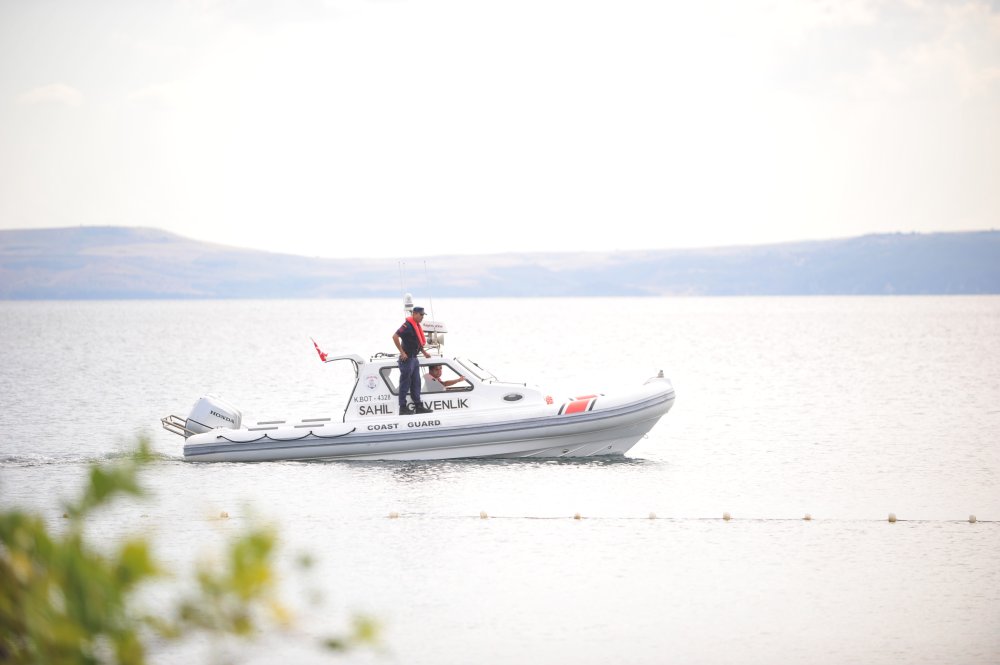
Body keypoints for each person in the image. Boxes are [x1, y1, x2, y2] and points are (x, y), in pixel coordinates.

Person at [392, 306, 433, 414]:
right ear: (414, 314)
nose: (422, 317)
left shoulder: (416, 326)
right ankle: (403, 407)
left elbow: (417, 341)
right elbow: (395, 336)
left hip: (414, 359)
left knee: (416, 383)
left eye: (423, 315)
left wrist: (424, 352)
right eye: (421, 315)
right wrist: (402, 352)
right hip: (407, 360)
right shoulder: (407, 326)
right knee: (405, 383)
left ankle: (418, 406)